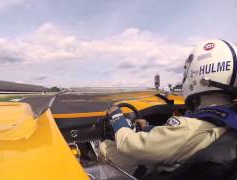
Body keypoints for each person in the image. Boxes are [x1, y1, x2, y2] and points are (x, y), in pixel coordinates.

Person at [100, 39, 237, 175]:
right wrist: (148, 128)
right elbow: (178, 138)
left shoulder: (188, 128)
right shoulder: (225, 121)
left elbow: (128, 144)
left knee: (106, 146)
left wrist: (118, 119)